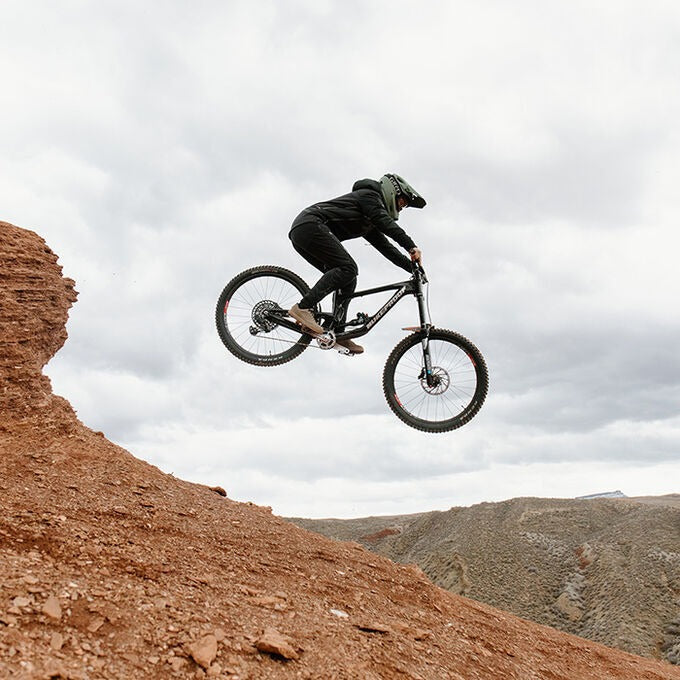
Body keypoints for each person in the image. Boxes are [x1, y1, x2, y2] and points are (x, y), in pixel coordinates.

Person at [288, 173, 426, 355]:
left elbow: (386, 248)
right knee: (348, 268)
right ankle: (302, 308)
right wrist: (410, 246)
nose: (400, 209)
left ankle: (338, 331)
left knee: (348, 277)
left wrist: (413, 268)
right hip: (310, 225)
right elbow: (385, 223)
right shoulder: (369, 197)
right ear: (393, 191)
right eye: (402, 203)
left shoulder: (369, 219)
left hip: (304, 232)